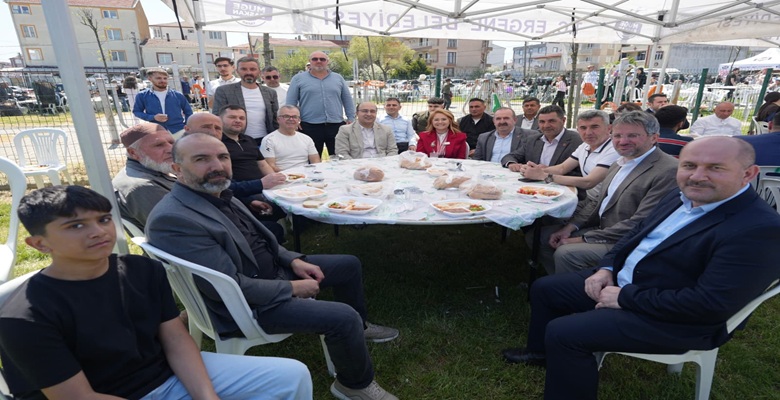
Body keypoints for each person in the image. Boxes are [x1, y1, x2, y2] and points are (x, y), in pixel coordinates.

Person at [501, 136, 780, 400]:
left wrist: (625, 298)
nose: (697, 176)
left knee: (564, 332)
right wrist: (606, 268)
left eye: (715, 168)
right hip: (632, 283)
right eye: (689, 165)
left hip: (679, 320)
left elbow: (711, 305)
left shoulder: (757, 228)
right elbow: (634, 235)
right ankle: (542, 354)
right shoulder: (681, 196)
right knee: (545, 288)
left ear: (748, 173)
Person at [146, 133, 400, 400]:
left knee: (348, 264)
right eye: (201, 159)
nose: (217, 166)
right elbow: (228, 287)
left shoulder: (217, 194)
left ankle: (359, 328)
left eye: (223, 157)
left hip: (268, 274)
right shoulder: (174, 218)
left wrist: (293, 261)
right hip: (247, 305)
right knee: (343, 316)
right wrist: (292, 288)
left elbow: (264, 241)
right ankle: (354, 385)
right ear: (177, 169)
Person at [0, 185, 313, 400]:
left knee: (292, 375)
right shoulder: (24, 317)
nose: (99, 232)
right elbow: (79, 396)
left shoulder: (142, 269)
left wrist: (207, 396)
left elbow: (175, 339)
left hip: (162, 374)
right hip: (99, 393)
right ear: (39, 244)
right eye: (76, 226)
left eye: (104, 219)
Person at [535, 111, 679, 275]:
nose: (622, 141)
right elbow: (599, 201)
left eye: (632, 135)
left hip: (630, 241)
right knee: (542, 236)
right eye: (617, 136)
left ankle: (581, 286)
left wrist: (583, 239)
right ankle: (562, 279)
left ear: (654, 138)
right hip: (604, 227)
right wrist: (569, 228)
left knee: (566, 253)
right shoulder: (620, 162)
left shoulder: (667, 170)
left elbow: (641, 223)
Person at [112, 123, 283, 232]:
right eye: (158, 145)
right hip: (205, 244)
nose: (170, 149)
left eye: (171, 142)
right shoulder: (141, 186)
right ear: (133, 152)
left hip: (213, 222)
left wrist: (243, 204)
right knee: (272, 229)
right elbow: (182, 229)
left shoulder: (155, 167)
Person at [520, 110, 619, 199]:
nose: (588, 132)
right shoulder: (585, 145)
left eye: (594, 127)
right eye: (583, 128)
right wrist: (535, 170)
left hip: (603, 203)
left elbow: (588, 182)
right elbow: (562, 168)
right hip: (589, 198)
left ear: (609, 128)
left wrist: (544, 176)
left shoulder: (614, 149)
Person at [286, 51, 356, 157]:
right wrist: (294, 120)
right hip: (309, 125)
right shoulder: (298, 79)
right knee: (311, 159)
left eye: (322, 59)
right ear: (310, 61)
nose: (318, 61)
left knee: (340, 157)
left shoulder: (338, 78)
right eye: (315, 59)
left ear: (327, 61)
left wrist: (351, 118)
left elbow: (347, 99)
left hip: (336, 125)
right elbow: (291, 102)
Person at [211, 56, 279, 144]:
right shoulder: (224, 91)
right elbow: (217, 117)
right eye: (244, 69)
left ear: (259, 72)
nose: (248, 72)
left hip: (266, 140)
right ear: (237, 71)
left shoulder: (270, 92)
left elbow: (275, 118)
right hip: (236, 141)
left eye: (252, 69)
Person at [501, 105, 582, 172]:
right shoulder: (533, 140)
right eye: (542, 122)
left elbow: (580, 173)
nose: (546, 125)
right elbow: (510, 156)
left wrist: (548, 170)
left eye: (551, 121)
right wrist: (512, 164)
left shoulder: (576, 141)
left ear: (563, 120)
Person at [261, 105, 321, 171]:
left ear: (299, 120)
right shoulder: (268, 140)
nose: (291, 119)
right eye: (286, 116)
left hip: (306, 175)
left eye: (295, 117)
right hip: (281, 175)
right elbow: (270, 166)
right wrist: (290, 175)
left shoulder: (307, 139)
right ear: (278, 119)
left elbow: (316, 161)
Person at [132, 67, 192, 133]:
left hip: (178, 131)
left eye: (165, 78)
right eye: (158, 78)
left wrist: (186, 125)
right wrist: (153, 117)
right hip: (156, 131)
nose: (163, 81)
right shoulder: (142, 95)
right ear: (150, 79)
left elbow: (188, 112)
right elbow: (137, 112)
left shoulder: (178, 95)